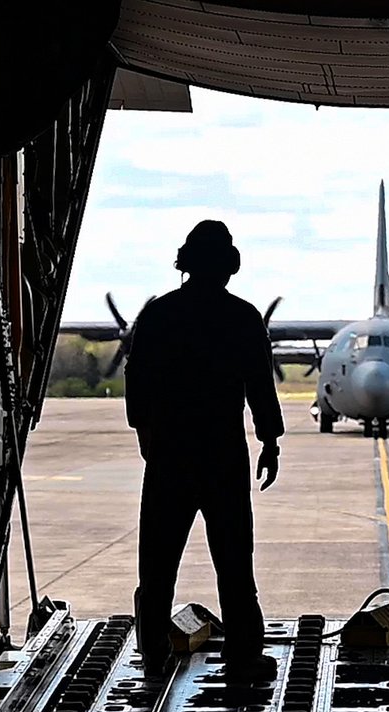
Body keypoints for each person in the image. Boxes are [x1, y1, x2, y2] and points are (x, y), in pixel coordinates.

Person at [125, 220, 284, 681]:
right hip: (222, 455)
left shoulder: (159, 314)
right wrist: (269, 440)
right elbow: (260, 385)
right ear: (229, 266)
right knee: (235, 561)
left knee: (157, 564)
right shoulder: (243, 317)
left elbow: (137, 380)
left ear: (185, 264)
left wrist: (145, 432)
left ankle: (153, 653)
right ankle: (244, 654)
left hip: (170, 454)